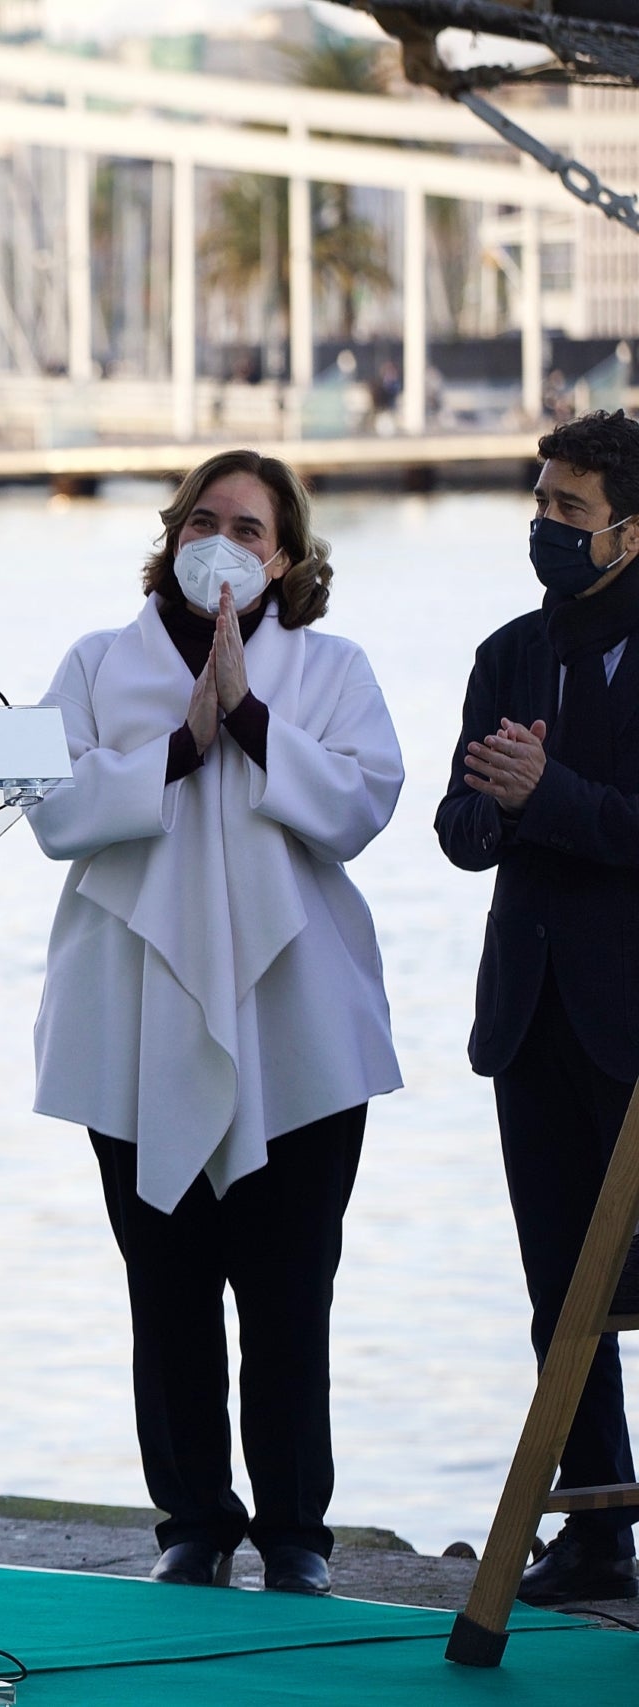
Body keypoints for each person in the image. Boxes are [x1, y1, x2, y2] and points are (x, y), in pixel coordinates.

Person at [30, 448, 402, 1599]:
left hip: (296, 1032)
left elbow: (360, 804)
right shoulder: (98, 663)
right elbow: (51, 807)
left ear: (283, 556)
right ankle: (191, 1518)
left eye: (249, 528)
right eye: (206, 519)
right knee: (168, 1285)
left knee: (291, 1289)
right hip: (135, 1025)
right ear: (171, 534)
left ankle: (295, 1530)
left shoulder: (331, 668)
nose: (225, 542)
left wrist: (246, 721)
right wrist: (182, 742)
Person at [437, 409, 639, 1604]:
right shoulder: (508, 652)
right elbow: (460, 833)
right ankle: (598, 1527)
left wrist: (549, 793)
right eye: (540, 503)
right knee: (557, 1289)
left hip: (632, 1018)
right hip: (529, 1014)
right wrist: (504, 804)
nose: (545, 526)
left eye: (569, 510)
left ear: (626, 529)